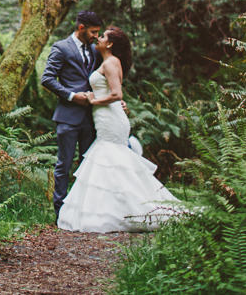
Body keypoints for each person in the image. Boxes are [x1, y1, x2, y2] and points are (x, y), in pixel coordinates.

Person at [57, 26, 180, 233]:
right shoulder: (106, 62)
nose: (99, 38)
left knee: (112, 158)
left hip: (111, 118)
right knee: (109, 162)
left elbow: (117, 94)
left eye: (103, 36)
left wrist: (94, 101)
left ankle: (137, 209)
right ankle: (114, 209)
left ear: (110, 43)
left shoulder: (112, 62)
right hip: (106, 117)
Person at [41, 10, 103, 220]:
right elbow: (47, 78)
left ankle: (84, 212)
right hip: (68, 116)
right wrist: (71, 96)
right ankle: (61, 213)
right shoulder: (61, 47)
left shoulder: (95, 51)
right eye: (94, 32)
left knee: (87, 166)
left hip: (91, 117)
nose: (96, 36)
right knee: (64, 165)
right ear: (81, 28)